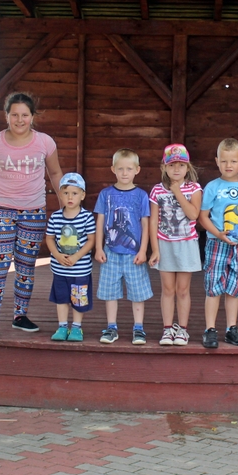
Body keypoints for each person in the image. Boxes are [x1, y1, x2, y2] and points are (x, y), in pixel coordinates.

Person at [0, 92, 64, 339]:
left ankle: (20, 316)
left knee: (25, 266)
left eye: (24, 115)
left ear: (32, 116)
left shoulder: (45, 142)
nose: (19, 120)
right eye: (14, 115)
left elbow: (55, 173)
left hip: (33, 211)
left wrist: (65, 204)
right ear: (7, 116)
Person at [93, 148, 153, 345]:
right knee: (110, 291)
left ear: (137, 170)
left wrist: (143, 250)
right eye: (120, 169)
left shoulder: (141, 195)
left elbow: (145, 224)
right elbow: (100, 221)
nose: (124, 173)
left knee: (137, 292)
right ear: (113, 169)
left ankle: (139, 328)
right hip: (110, 252)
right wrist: (99, 248)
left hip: (134, 254)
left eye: (129, 169)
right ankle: (111, 327)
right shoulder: (106, 194)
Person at [198, 138, 238, 349]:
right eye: (224, 161)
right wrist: (217, 234)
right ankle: (210, 329)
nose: (228, 165)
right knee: (213, 287)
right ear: (217, 161)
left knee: (234, 289)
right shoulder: (212, 187)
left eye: (233, 161)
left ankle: (231, 328)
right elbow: (203, 217)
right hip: (217, 244)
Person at [148, 144, 202, 347]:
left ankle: (182, 329)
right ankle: (167, 328)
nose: (176, 169)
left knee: (183, 289)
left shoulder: (194, 188)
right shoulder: (157, 190)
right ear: (164, 167)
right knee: (168, 289)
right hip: (165, 244)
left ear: (187, 167)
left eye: (181, 165)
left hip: (187, 245)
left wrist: (177, 192)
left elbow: (193, 214)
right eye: (172, 165)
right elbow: (153, 221)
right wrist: (155, 249)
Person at [46, 173, 97, 342]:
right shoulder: (55, 217)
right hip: (60, 268)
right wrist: (57, 255)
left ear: (82, 195)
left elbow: (91, 240)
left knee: (78, 299)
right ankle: (62, 327)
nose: (70, 197)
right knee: (61, 298)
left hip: (80, 269)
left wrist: (76, 257)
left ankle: (76, 327)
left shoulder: (86, 217)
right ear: (60, 195)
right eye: (66, 193)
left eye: (74, 193)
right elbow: (50, 238)